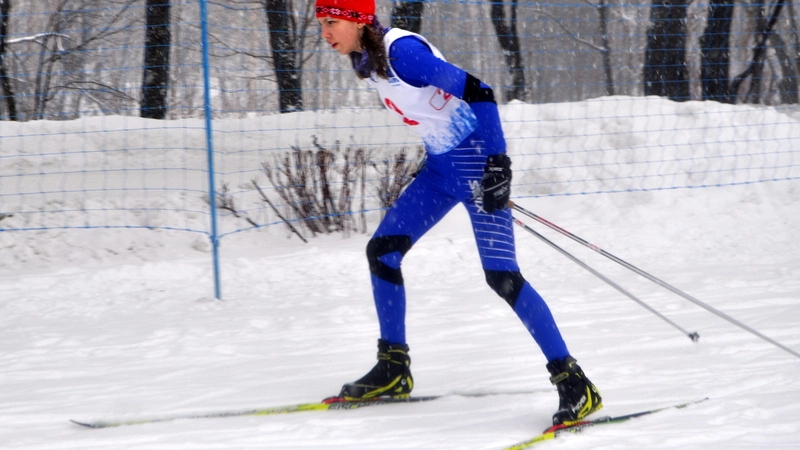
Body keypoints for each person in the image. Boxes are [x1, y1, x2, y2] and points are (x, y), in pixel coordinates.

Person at [315, 0, 602, 425]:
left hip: (476, 168)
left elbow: (479, 90)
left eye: (332, 22)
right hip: (441, 172)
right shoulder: (369, 59)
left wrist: (498, 164)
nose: (325, 33)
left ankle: (575, 384)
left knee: (503, 277)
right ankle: (393, 367)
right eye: (321, 23)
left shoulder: (401, 53)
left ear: (359, 20)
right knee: (383, 252)